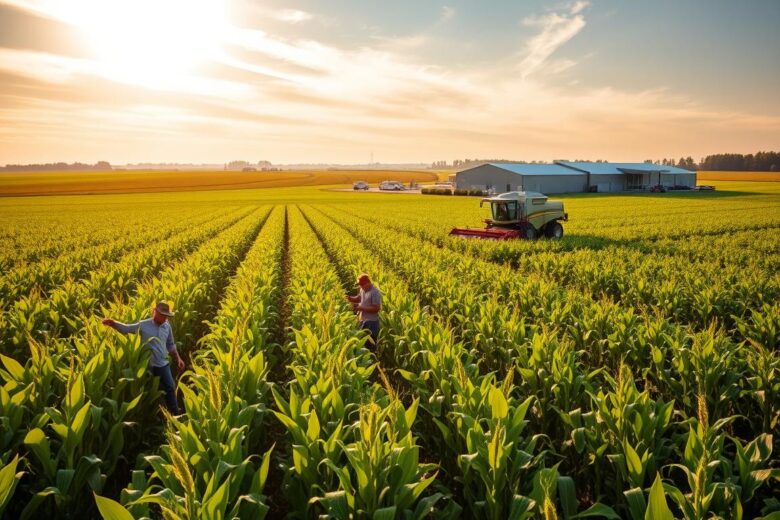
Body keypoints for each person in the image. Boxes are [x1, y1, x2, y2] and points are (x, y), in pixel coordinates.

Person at [102, 301, 185, 414]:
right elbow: (127, 329)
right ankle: (153, 415)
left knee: (170, 387)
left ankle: (175, 413)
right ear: (154, 312)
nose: (165, 318)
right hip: (147, 366)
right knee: (148, 392)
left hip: (162, 364)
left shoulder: (167, 326)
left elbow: (170, 344)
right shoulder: (144, 325)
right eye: (163, 315)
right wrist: (114, 323)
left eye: (167, 316)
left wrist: (178, 359)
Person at [345, 273, 382, 349]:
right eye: (360, 285)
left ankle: (372, 359)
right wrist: (350, 298)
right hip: (363, 321)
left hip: (372, 323)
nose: (360, 286)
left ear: (368, 283)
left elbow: (376, 309)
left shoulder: (375, 292)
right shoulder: (363, 289)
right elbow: (359, 298)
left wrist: (361, 308)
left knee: (370, 344)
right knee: (361, 343)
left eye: (362, 285)